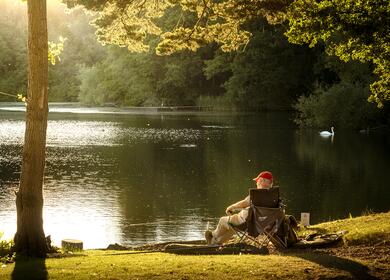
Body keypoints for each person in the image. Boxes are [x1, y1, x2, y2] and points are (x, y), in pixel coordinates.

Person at [205, 171, 274, 245]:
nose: (256, 183)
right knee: (230, 229)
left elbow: (244, 203)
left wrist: (232, 207)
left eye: (257, 180)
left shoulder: (257, 194)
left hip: (246, 223)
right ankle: (214, 242)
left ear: (261, 180)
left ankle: (212, 235)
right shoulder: (273, 195)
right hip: (262, 225)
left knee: (222, 220)